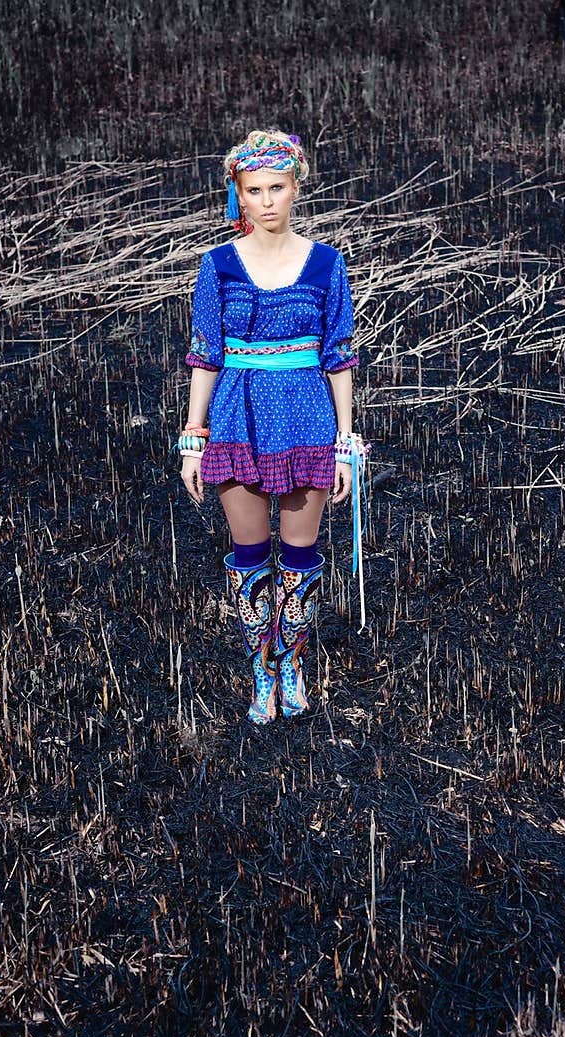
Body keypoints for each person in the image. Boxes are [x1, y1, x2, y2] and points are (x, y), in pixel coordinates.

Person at [177, 128, 366, 727]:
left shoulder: (326, 264)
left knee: (300, 557)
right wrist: (192, 439)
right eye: (254, 190)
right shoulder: (218, 266)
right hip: (237, 422)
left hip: (308, 425)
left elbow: (339, 356)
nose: (266, 200)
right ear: (238, 194)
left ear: (296, 189)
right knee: (250, 554)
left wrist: (345, 442)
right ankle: (262, 670)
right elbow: (206, 354)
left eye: (277, 188)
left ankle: (292, 665)